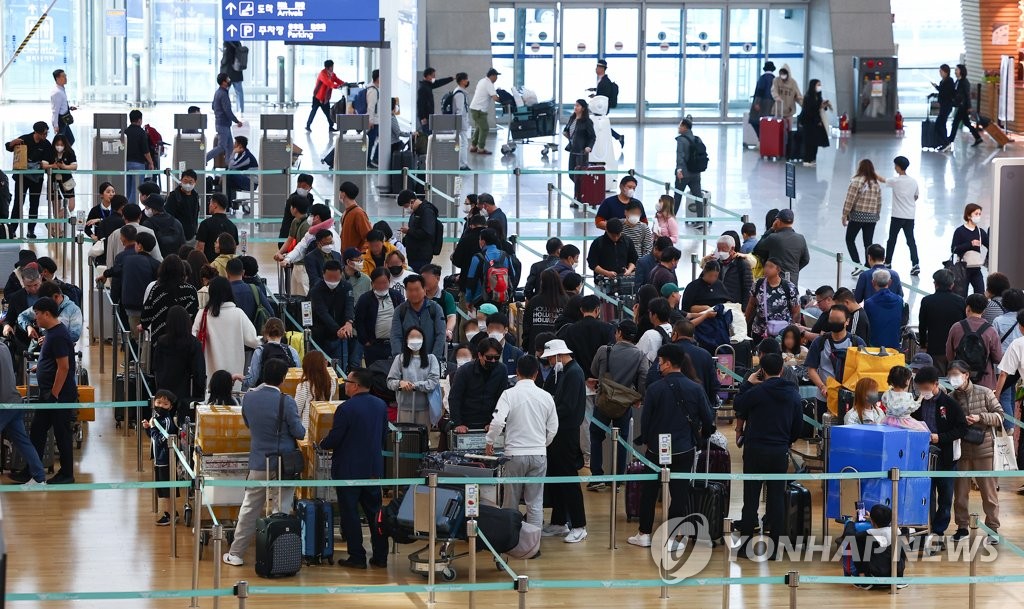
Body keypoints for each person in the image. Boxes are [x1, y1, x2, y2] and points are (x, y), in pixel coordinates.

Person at [628, 344, 714, 548]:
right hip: (684, 447)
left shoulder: (655, 388)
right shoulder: (695, 387)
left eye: (660, 361)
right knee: (680, 493)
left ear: (667, 363)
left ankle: (644, 533)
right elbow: (707, 417)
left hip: (657, 448)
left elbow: (646, 421)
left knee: (649, 491)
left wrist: (648, 440)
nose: (659, 365)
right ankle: (673, 538)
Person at [221, 359, 305, 567]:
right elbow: (299, 432)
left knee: (250, 507)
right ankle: (278, 555)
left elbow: (248, 423)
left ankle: (236, 553)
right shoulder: (287, 401)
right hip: (284, 463)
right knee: (281, 507)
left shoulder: (249, 398)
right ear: (283, 378)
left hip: (258, 460)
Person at [319, 368, 389, 569]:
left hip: (348, 470)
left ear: (356, 385)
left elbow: (335, 438)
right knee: (375, 513)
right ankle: (380, 556)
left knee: (350, 514)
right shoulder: (380, 405)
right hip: (373, 468)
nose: (345, 385)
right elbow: (384, 435)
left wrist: (323, 443)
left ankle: (357, 556)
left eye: (347, 382)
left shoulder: (346, 409)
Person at [733, 353, 802, 551]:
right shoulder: (793, 395)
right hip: (779, 450)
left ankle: (746, 544)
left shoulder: (756, 392)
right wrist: (786, 441)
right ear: (782, 369)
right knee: (777, 499)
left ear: (762, 370)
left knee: (751, 498)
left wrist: (748, 383)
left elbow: (739, 406)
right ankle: (776, 547)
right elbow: (798, 427)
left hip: (755, 449)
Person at [537, 339, 589, 543]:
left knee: (568, 479)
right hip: (558, 433)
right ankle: (559, 521)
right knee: (557, 477)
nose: (549, 361)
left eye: (550, 357)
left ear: (559, 355)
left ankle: (579, 524)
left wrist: (546, 415)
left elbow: (567, 407)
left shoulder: (574, 373)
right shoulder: (565, 373)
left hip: (566, 434)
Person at [946, 360, 1003, 544]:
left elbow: (999, 416)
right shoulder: (951, 397)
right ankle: (962, 527)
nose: (953, 379)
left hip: (984, 450)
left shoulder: (985, 392)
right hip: (961, 450)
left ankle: (992, 528)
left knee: (989, 492)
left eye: (956, 375)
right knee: (960, 493)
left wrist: (980, 417)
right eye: (950, 375)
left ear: (966, 375)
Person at [910, 365, 967, 544]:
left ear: (936, 385)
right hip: (923, 456)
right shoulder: (918, 403)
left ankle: (939, 530)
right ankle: (925, 527)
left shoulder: (949, 404)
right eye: (920, 388)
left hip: (945, 456)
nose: (923, 392)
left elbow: (962, 428)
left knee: (945, 495)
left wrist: (939, 438)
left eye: (926, 388)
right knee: (926, 494)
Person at [588, 320, 647, 491]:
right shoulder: (640, 355)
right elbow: (643, 378)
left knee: (596, 436)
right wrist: (639, 398)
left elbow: (593, 370)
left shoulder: (604, 350)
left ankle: (597, 476)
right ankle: (618, 479)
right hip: (624, 404)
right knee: (622, 441)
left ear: (619, 333)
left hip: (603, 401)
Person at [29, 297, 77, 484]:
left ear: (47, 314)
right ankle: (32, 469)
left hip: (58, 395)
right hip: (51, 394)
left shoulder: (57, 335)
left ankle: (67, 474)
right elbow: (54, 360)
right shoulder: (52, 332)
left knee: (61, 433)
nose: (36, 318)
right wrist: (40, 367)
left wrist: (55, 395)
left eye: (38, 314)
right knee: (38, 429)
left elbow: (64, 367)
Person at [192, 276, 260, 390]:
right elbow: (253, 340)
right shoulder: (238, 314)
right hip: (233, 377)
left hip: (208, 374)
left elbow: (193, 337)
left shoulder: (203, 313)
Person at [805, 305, 868, 417]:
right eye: (831, 319)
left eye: (838, 320)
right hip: (825, 397)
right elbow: (811, 369)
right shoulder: (819, 342)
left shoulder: (856, 342)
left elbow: (866, 369)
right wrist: (822, 386)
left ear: (847, 321)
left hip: (851, 399)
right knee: (824, 431)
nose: (834, 322)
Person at [0, 341, 46, 485]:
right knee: (23, 441)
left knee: (23, 441)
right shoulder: (4, 346)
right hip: (15, 401)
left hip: (3, 405)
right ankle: (39, 478)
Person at [151, 305, 206, 422]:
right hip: (185, 391)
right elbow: (199, 371)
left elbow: (155, 366)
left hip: (164, 388)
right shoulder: (193, 343)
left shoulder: (161, 341)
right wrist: (200, 393)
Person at [5, 121, 53, 238]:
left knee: (34, 204)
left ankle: (31, 230)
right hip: (22, 178)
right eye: (44, 134)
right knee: (18, 204)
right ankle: (13, 229)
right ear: (37, 132)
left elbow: (47, 161)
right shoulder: (24, 139)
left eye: (47, 133)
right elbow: (8, 147)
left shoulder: (46, 144)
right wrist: (13, 142)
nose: (45, 136)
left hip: (37, 179)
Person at [448, 337, 507, 432]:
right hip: (466, 422)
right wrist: (458, 424)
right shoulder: (464, 371)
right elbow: (454, 398)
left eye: (496, 358)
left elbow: (501, 399)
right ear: (480, 355)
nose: (492, 361)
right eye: (489, 357)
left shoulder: (502, 370)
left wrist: (495, 422)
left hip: (489, 421)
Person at [387, 326, 441, 428]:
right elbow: (390, 382)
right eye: (412, 337)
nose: (415, 340)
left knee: (422, 440)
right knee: (406, 441)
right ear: (406, 339)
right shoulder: (399, 359)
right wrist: (400, 383)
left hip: (424, 409)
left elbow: (432, 383)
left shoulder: (431, 359)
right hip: (404, 409)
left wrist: (414, 385)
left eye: (418, 337)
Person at [945, 293, 1002, 390]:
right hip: (984, 380)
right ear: (984, 310)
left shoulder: (956, 327)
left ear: (968, 308)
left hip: (960, 379)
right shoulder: (991, 330)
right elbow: (998, 358)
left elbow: (949, 355)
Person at [142, 390, 180, 525]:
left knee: (167, 490)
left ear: (170, 406)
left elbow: (160, 440)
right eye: (158, 402)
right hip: (158, 459)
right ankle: (169, 512)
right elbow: (153, 438)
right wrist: (148, 428)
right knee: (162, 490)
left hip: (166, 460)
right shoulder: (156, 417)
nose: (161, 405)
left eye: (165, 404)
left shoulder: (168, 421)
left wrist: (152, 427)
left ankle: (171, 514)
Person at [141, 254, 199, 342]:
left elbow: (145, 317)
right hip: (184, 341)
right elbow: (194, 316)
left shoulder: (156, 289)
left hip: (159, 340)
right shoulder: (191, 290)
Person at [919, 269, 967, 374]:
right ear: (952, 284)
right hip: (956, 349)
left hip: (935, 348)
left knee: (938, 380)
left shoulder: (927, 301)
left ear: (935, 284)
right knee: (955, 381)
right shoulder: (960, 301)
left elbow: (922, 325)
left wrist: (923, 344)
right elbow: (964, 325)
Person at [390, 274, 446, 363]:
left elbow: (440, 335)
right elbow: (395, 336)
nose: (413, 293)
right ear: (406, 292)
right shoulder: (400, 311)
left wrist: (434, 359)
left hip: (431, 359)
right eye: (410, 290)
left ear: (424, 290)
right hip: (407, 361)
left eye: (417, 290)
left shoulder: (435, 308)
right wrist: (399, 359)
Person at [355, 268, 405, 367]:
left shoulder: (396, 296)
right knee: (374, 375)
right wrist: (365, 341)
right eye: (378, 283)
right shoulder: (365, 299)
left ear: (389, 282)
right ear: (373, 283)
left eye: (384, 283)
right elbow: (359, 321)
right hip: (374, 345)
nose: (382, 286)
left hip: (394, 344)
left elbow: (404, 316)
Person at [879, 156, 920, 275]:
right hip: (910, 216)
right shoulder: (913, 181)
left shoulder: (895, 181)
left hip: (897, 215)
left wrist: (871, 172)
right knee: (910, 240)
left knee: (892, 239)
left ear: (898, 166)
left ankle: (888, 262)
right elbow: (916, 196)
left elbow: (882, 180)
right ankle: (915, 263)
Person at [309, 260, 355, 365]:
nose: (333, 281)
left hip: (340, 337)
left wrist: (349, 322)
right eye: (330, 278)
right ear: (323, 274)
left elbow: (349, 305)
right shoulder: (316, 290)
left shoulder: (346, 287)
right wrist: (337, 329)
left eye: (336, 277)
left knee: (340, 366)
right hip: (321, 336)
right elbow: (322, 312)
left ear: (341, 274)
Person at [841, 159, 883, 273]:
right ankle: (867, 266)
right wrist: (877, 214)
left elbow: (850, 200)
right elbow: (879, 202)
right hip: (872, 217)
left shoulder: (856, 181)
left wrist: (844, 215)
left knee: (850, 239)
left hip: (858, 216)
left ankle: (857, 264)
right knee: (868, 242)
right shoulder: (876, 183)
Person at [746, 258, 801, 342]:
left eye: (771, 267)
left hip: (782, 333)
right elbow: (751, 304)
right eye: (766, 266)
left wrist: (793, 330)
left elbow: (796, 311)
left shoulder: (789, 288)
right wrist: (745, 321)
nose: (767, 269)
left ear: (778, 270)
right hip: (760, 330)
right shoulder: (758, 284)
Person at [751, 209, 809, 287]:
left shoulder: (774, 237)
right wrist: (794, 270)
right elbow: (806, 259)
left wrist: (771, 229)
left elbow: (757, 249)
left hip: (775, 282)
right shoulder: (801, 238)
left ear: (778, 221)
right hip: (792, 281)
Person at [241, 318, 300, 390]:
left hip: (265, 395)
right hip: (287, 395)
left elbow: (251, 381)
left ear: (265, 332)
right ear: (283, 333)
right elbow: (298, 377)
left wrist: (241, 378)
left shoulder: (260, 351)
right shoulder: (292, 351)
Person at [464, 228, 515, 307]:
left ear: (483, 242)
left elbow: (471, 280)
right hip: (501, 299)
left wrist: (468, 300)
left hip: (481, 299)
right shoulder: (505, 256)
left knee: (483, 319)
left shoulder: (478, 257)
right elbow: (513, 276)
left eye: (479, 239)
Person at [523, 269, 568, 354]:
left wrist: (526, 345)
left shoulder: (534, 301)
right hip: (558, 350)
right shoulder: (565, 302)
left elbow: (526, 326)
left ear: (542, 283)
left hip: (536, 349)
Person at [292, 350, 337, 435]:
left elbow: (297, 410)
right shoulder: (332, 382)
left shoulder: (304, 386)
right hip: (325, 427)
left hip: (308, 429)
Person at [587, 218, 638, 288]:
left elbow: (633, 259)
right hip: (602, 283)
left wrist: (629, 271)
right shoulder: (598, 243)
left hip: (623, 282)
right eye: (613, 236)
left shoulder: (627, 241)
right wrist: (606, 273)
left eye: (618, 235)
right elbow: (592, 264)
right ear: (607, 230)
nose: (616, 238)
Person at [951, 203, 989, 296]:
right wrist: (970, 244)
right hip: (962, 269)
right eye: (976, 214)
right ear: (968, 215)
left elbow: (990, 245)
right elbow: (954, 249)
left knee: (980, 294)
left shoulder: (980, 232)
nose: (978, 216)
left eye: (980, 214)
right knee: (961, 295)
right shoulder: (959, 231)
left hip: (976, 268)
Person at [206, 74, 243, 165]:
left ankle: (229, 166)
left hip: (223, 124)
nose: (229, 80)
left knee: (230, 147)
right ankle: (204, 158)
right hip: (223, 125)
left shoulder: (218, 92)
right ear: (223, 82)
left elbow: (213, 106)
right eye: (228, 79)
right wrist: (237, 121)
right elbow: (228, 111)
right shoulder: (223, 94)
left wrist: (219, 113)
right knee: (222, 147)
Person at [399, 191, 440, 272]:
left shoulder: (427, 211)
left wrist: (409, 231)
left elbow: (427, 232)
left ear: (411, 201)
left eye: (405, 206)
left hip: (421, 255)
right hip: (414, 254)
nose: (405, 209)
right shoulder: (416, 211)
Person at [563, 99, 596, 200]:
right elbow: (567, 130)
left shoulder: (587, 122)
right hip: (573, 150)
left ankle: (578, 197)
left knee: (579, 176)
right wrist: (566, 134)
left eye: (578, 106)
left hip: (582, 152)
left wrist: (589, 147)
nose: (575, 107)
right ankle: (581, 193)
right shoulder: (572, 118)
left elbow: (592, 136)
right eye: (575, 105)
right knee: (571, 174)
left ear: (583, 108)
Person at [864, 269, 905, 349]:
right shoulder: (899, 300)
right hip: (894, 346)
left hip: (875, 347)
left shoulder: (869, 303)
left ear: (873, 282)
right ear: (890, 282)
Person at [945, 64, 983, 149]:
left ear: (961, 71)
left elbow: (967, 95)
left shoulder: (964, 82)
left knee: (955, 123)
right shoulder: (958, 81)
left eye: (956, 70)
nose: (955, 71)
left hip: (964, 106)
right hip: (961, 105)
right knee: (966, 123)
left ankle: (950, 139)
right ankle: (978, 137)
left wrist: (969, 106)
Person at [673, 118, 704, 214]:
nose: (679, 127)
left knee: (677, 196)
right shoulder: (697, 139)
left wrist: (679, 170)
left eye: (680, 125)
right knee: (698, 197)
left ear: (685, 127)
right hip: (696, 173)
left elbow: (680, 156)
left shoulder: (681, 140)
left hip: (683, 174)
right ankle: (701, 220)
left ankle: (671, 218)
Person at [797, 79, 832, 166]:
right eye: (818, 85)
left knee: (815, 142)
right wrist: (819, 107)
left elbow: (819, 108)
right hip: (809, 122)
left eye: (820, 85)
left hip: (816, 122)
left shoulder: (818, 96)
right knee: (809, 141)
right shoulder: (808, 97)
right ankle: (807, 159)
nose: (819, 87)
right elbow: (809, 110)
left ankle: (812, 159)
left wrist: (824, 106)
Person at [195, 194, 238, 262]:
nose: (209, 205)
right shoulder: (232, 226)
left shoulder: (205, 224)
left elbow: (200, 249)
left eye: (210, 203)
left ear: (215, 205)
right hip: (226, 268)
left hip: (210, 267)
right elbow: (234, 250)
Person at [42, 133, 77, 216]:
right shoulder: (49, 151)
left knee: (71, 206)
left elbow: (74, 166)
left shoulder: (70, 152)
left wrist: (64, 166)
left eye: (61, 145)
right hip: (53, 180)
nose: (59, 146)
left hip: (68, 179)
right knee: (56, 207)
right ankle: (58, 228)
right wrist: (53, 166)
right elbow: (43, 165)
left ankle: (53, 223)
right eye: (57, 144)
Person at [305, 60, 344, 132]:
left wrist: (344, 84)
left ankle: (331, 126)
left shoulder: (332, 75)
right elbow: (328, 83)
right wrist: (337, 86)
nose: (333, 68)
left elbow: (338, 80)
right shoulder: (322, 74)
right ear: (328, 68)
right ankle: (308, 125)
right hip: (317, 97)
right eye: (332, 67)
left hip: (325, 98)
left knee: (328, 113)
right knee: (313, 111)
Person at [469, 68, 500, 155]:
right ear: (492, 76)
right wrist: (505, 101)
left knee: (479, 128)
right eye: (496, 77)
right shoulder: (488, 83)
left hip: (475, 108)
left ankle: (473, 146)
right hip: (479, 110)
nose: (496, 79)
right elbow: (495, 98)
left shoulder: (482, 81)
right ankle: (481, 148)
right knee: (485, 128)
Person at [165, 169, 200, 245]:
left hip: (192, 235)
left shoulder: (195, 196)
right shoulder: (174, 196)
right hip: (177, 236)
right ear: (181, 181)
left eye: (190, 182)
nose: (187, 184)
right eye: (185, 181)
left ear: (195, 183)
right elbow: (168, 216)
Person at [417, 68, 455, 134]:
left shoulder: (428, 85)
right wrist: (422, 117)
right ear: (428, 76)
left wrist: (451, 78)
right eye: (433, 75)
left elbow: (439, 82)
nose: (434, 77)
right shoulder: (423, 88)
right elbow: (420, 104)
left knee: (430, 135)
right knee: (428, 136)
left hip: (429, 117)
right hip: (425, 118)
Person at [278, 174, 315, 244]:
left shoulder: (310, 197)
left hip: (302, 235)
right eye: (299, 185)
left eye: (304, 186)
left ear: (310, 188)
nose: (301, 188)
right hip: (289, 235)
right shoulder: (292, 199)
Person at [339, 181, 372, 252]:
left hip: (355, 258)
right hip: (347, 256)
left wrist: (361, 254)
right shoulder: (348, 212)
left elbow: (369, 236)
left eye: (340, 192)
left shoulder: (358, 213)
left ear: (343, 194)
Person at [50, 68, 77, 145]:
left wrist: (69, 108)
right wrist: (56, 125)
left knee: (70, 140)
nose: (66, 78)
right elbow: (55, 110)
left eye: (65, 76)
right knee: (60, 142)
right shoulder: (57, 92)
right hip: (60, 121)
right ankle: (57, 156)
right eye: (63, 76)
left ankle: (65, 155)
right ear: (57, 78)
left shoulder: (61, 89)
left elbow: (61, 105)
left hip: (64, 120)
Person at [749, 61, 776, 136]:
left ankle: (760, 139)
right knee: (768, 123)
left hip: (762, 102)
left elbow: (760, 91)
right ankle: (765, 139)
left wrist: (757, 103)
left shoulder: (763, 78)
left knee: (755, 121)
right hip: (772, 103)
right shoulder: (775, 79)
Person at [931, 64, 955, 145]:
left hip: (947, 105)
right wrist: (937, 87)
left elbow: (946, 92)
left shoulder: (949, 81)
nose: (940, 73)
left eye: (941, 71)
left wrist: (938, 87)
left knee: (939, 124)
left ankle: (945, 142)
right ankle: (944, 143)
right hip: (943, 105)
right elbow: (942, 91)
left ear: (946, 72)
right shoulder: (943, 81)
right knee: (942, 124)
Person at [220, 42, 246, 112]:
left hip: (228, 73)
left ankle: (226, 109)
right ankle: (241, 110)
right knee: (239, 92)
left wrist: (222, 62)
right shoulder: (238, 43)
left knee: (225, 92)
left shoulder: (226, 43)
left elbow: (226, 58)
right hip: (237, 72)